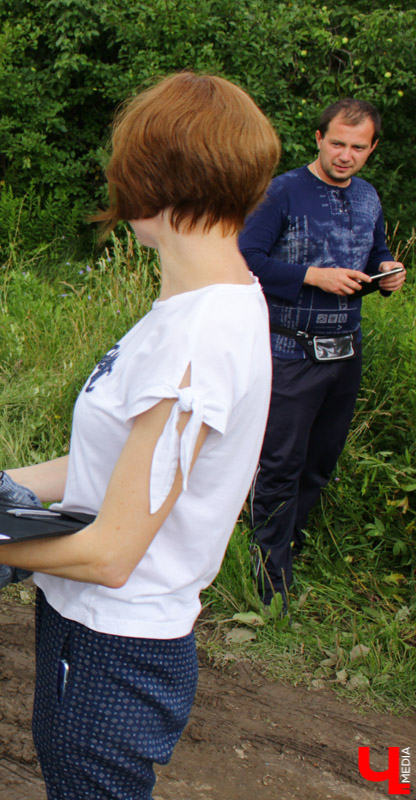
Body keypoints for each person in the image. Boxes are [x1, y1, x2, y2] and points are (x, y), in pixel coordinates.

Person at [0, 73, 279, 799]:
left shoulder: (199, 341)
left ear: (152, 181)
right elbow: (116, 458)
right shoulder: (198, 306)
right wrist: (9, 483)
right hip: (92, 628)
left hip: (115, 645)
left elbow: (113, 553)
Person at [239, 98, 406, 606]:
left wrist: (388, 270)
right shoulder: (281, 192)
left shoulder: (369, 197)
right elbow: (245, 257)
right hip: (289, 350)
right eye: (337, 143)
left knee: (319, 462)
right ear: (317, 139)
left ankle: (292, 552)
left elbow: (373, 251)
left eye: (358, 147)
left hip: (345, 351)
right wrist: (312, 275)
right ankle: (267, 579)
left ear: (372, 148)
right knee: (281, 462)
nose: (345, 155)